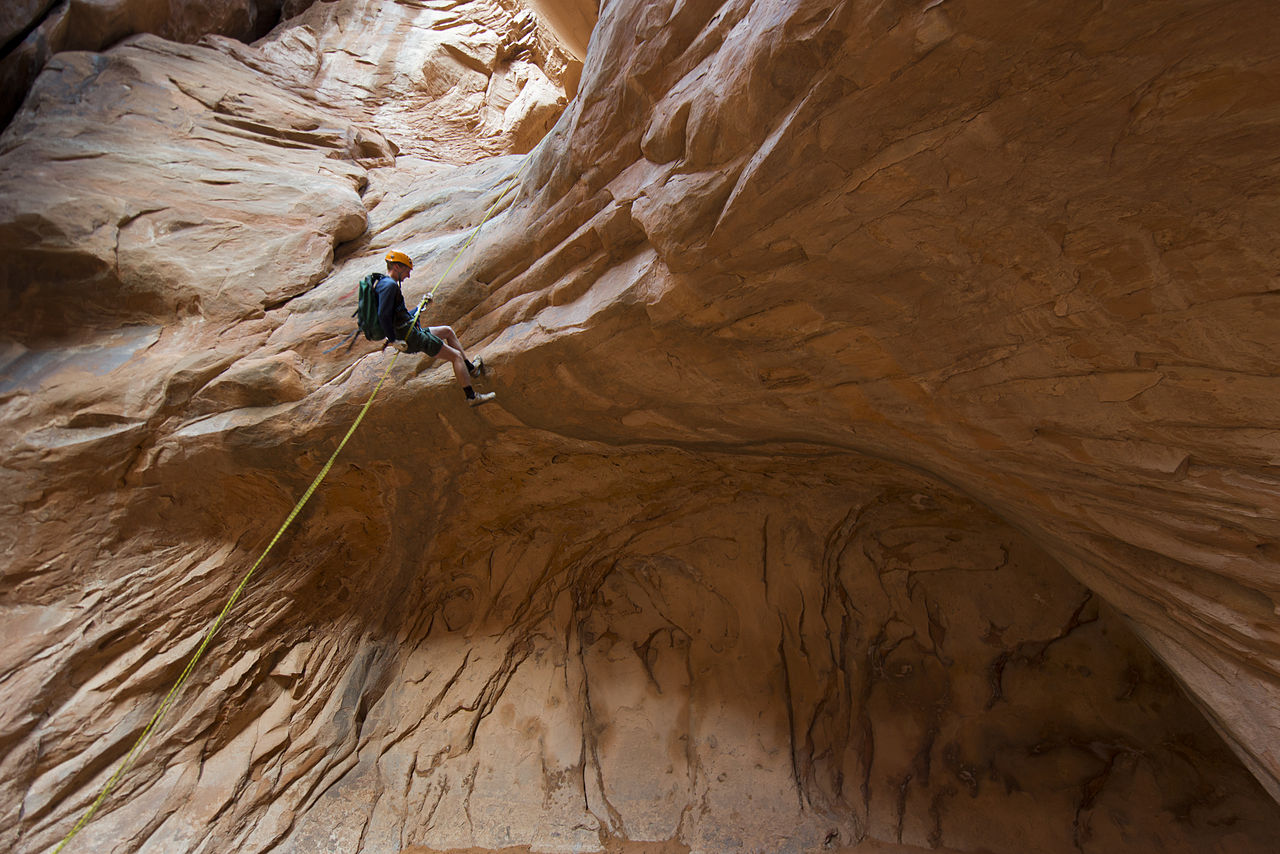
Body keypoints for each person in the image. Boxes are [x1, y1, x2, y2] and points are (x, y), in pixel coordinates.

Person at [376, 250, 495, 407]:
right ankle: (471, 397)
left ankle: (471, 369)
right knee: (456, 356)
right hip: (411, 338)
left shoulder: (384, 284)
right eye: (407, 271)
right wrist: (393, 340)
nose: (408, 276)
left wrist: (420, 306)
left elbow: (399, 316)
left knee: (447, 331)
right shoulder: (390, 286)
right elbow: (382, 316)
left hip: (409, 333)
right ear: (397, 267)